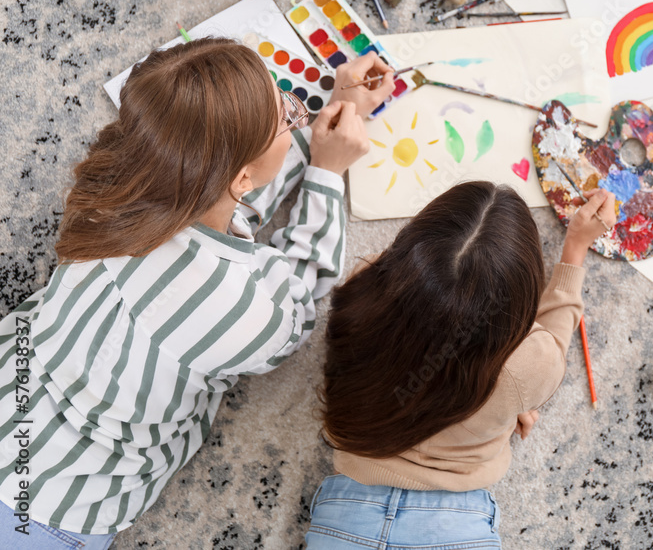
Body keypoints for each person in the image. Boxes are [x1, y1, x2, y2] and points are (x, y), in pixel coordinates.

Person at [0, 37, 394, 546]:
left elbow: (219, 187)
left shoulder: (105, 184)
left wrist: (333, 113)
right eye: (287, 117)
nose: (294, 117)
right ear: (243, 176)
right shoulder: (247, 315)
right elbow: (299, 295)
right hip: (52, 509)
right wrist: (326, 174)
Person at [306, 181, 616, 549]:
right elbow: (550, 344)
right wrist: (575, 249)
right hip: (453, 526)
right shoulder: (528, 364)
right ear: (522, 298)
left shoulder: (361, 296)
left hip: (345, 512)